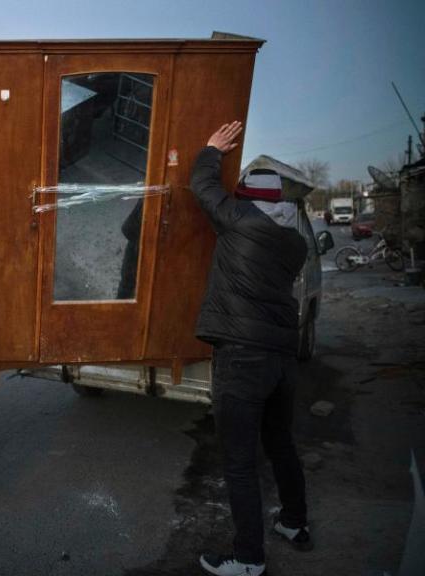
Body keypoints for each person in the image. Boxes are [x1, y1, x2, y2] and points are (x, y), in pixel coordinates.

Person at [191, 122, 313, 576]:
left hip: (242, 356)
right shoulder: (296, 243)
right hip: (281, 358)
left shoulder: (239, 221)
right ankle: (294, 523)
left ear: (248, 199)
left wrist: (211, 149)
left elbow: (202, 186)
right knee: (280, 442)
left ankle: (248, 559)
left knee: (239, 462)